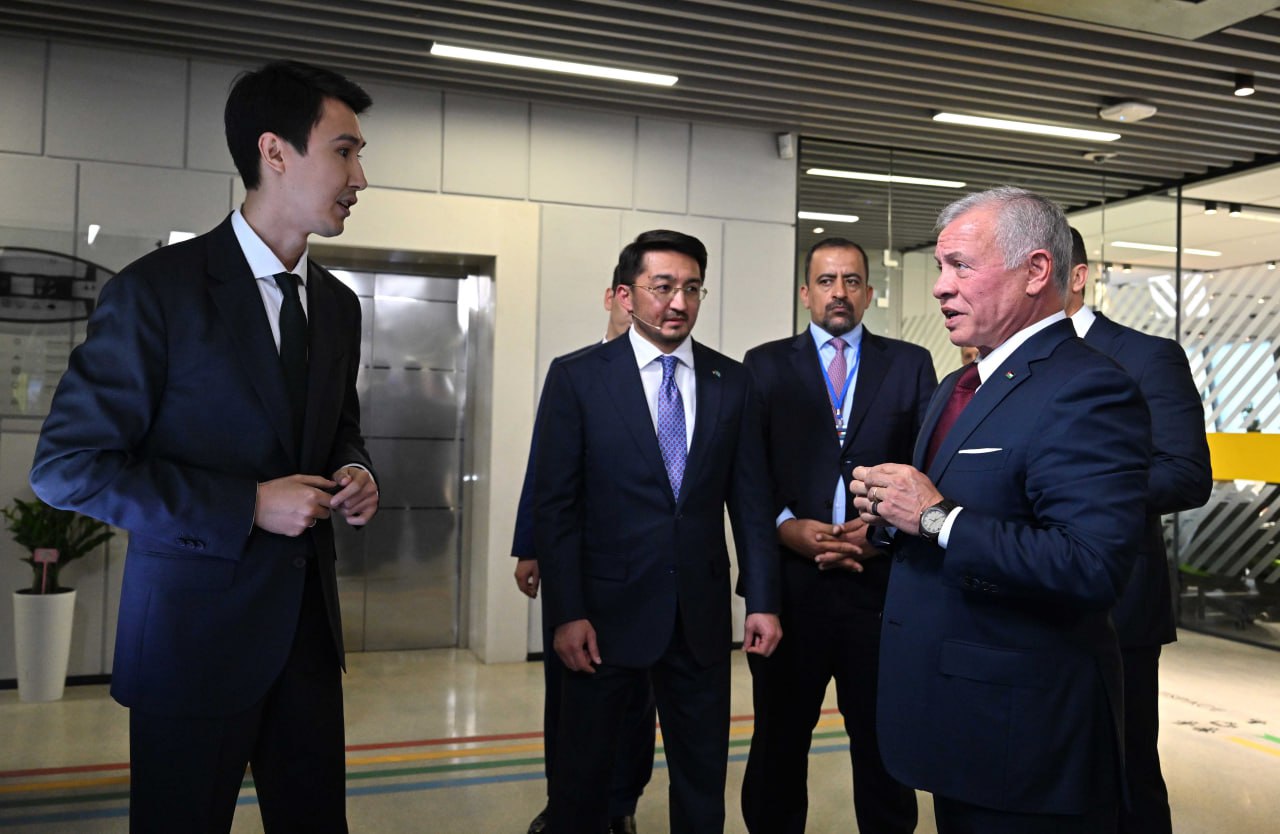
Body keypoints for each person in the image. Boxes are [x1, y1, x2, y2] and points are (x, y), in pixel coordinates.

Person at [29, 60, 379, 833]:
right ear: (274, 151)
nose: (361, 177)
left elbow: (337, 427)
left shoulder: (337, 306)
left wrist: (354, 468)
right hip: (190, 647)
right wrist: (245, 505)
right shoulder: (157, 292)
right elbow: (66, 468)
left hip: (307, 645)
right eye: (345, 151)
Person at [849, 186, 1151, 833]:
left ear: (1036, 271)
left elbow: (1091, 565)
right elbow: (953, 517)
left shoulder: (1088, 388)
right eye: (940, 267)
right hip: (958, 720)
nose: (939, 286)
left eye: (960, 265)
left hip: (1025, 741)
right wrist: (889, 518)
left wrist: (935, 517)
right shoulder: (962, 385)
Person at [534, 229, 782, 834]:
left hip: (698, 619)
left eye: (692, 289)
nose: (679, 303)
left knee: (701, 779)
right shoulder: (578, 377)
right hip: (602, 619)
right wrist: (567, 612)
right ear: (625, 295)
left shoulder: (731, 381)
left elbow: (751, 503)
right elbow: (556, 506)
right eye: (663, 287)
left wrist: (763, 600)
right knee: (583, 781)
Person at [740, 237, 931, 833]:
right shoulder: (764, 365)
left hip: (879, 591)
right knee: (778, 743)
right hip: (790, 590)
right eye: (826, 281)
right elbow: (749, 473)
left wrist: (884, 534)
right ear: (805, 293)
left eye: (851, 281)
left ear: (869, 293)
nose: (839, 292)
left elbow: (929, 468)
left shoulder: (910, 365)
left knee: (882, 745)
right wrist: (785, 529)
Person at [1065, 227, 1212, 834]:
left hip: (1118, 605)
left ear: (1076, 276)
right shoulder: (1003, 363)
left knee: (1127, 777)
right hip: (1028, 598)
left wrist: (1070, 488)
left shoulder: (1146, 356)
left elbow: (1185, 475)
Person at [512, 274, 656, 834]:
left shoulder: (668, 376)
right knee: (570, 694)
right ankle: (565, 799)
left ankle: (621, 803)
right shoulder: (575, 373)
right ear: (616, 298)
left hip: (640, 572)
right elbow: (546, 471)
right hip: (574, 563)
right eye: (625, 296)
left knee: (636, 697)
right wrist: (529, 545)